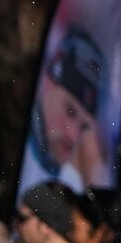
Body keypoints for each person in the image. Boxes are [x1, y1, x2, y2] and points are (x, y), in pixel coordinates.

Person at [20, 29, 109, 195]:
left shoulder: (73, 188)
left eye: (83, 127)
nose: (74, 136)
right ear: (47, 84)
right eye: (70, 111)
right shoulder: (14, 143)